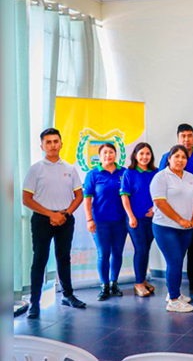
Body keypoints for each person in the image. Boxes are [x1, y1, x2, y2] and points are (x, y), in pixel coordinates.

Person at [22, 128, 86, 318]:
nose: (52, 145)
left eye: (55, 141)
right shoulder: (35, 169)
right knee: (39, 260)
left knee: (63, 257)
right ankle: (34, 302)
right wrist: (51, 214)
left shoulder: (70, 168)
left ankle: (68, 295)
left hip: (65, 218)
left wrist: (64, 214)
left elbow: (79, 195)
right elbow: (27, 199)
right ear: (42, 146)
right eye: (48, 142)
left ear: (61, 144)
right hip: (42, 219)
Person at [159, 124, 193, 293]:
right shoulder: (168, 156)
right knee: (176, 253)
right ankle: (174, 290)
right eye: (183, 136)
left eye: (190, 135)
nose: (187, 139)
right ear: (178, 138)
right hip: (173, 214)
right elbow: (160, 185)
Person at [150, 145, 193, 313]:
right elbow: (159, 202)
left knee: (178, 260)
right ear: (169, 158)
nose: (180, 160)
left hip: (187, 228)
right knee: (175, 261)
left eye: (184, 157)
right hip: (166, 227)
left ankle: (175, 293)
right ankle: (173, 300)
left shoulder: (191, 177)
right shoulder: (161, 177)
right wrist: (179, 219)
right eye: (176, 156)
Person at [83, 143, 128, 301]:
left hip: (120, 221)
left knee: (117, 253)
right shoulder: (93, 174)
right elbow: (87, 200)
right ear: (100, 156)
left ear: (116, 155)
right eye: (105, 153)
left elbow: (130, 195)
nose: (108, 155)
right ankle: (104, 286)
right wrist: (89, 219)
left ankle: (114, 283)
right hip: (100, 222)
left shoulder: (124, 172)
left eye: (111, 152)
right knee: (103, 254)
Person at [120, 142, 158, 297]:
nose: (144, 157)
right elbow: (125, 197)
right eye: (141, 153)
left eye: (147, 154)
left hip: (153, 219)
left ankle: (142, 280)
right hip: (136, 220)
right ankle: (138, 283)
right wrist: (131, 216)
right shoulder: (129, 173)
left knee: (145, 249)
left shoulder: (156, 172)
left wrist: (155, 208)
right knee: (141, 249)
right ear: (135, 156)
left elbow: (161, 194)